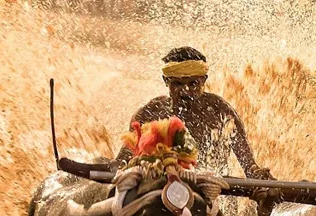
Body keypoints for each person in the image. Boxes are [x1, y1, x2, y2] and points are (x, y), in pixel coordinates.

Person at [115, 46, 273, 181]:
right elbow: (123, 161)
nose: (185, 91)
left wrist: (257, 173)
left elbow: (249, 167)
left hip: (214, 193)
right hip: (161, 191)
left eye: (193, 84)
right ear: (165, 81)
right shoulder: (150, 113)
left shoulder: (221, 112)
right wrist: (106, 166)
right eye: (176, 84)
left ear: (204, 81)